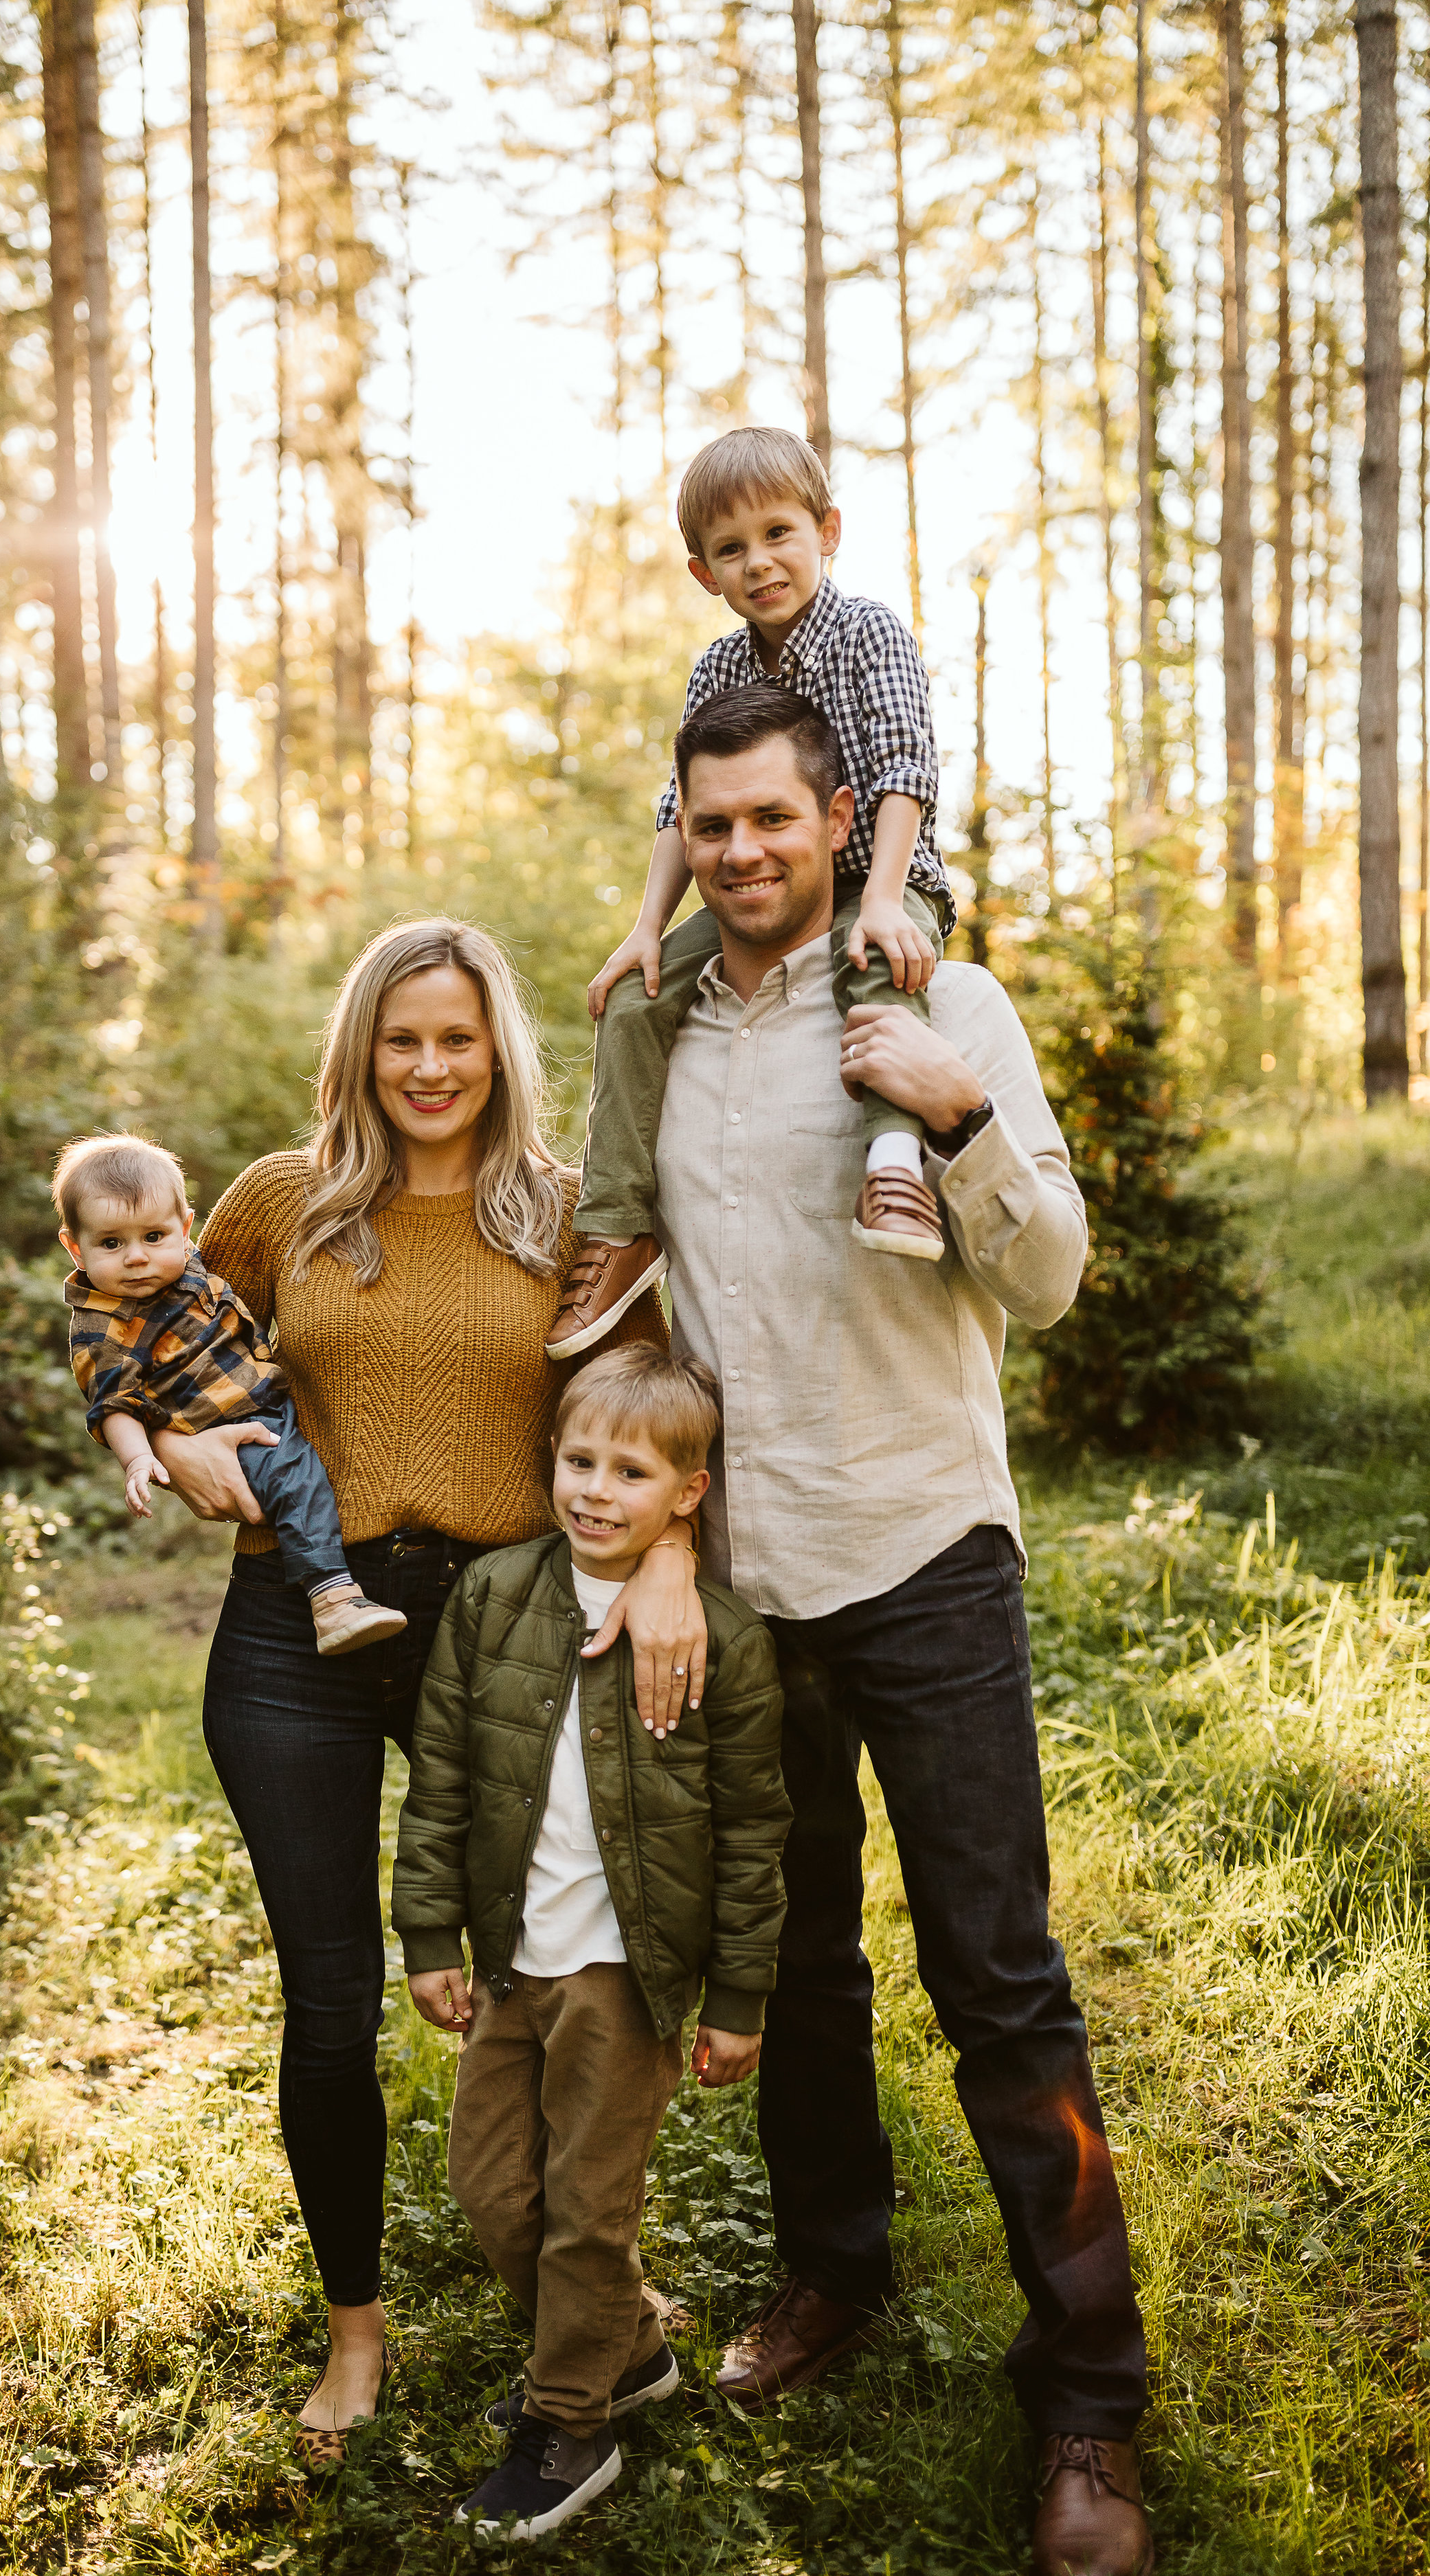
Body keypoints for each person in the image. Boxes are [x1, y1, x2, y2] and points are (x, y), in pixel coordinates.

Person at [643, 688, 1154, 2576]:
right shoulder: (665, 1029)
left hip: (924, 1544)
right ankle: (832, 2267)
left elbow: (1049, 1275)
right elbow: (643, 1296)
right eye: (711, 826)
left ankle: (1088, 2392)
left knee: (994, 1972)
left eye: (774, 817)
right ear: (682, 833)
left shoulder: (950, 1001)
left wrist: (950, 1116)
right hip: (751, 1571)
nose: (745, 851)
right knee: (792, 1968)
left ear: (835, 810)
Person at [143, 919, 708, 2465]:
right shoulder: (281, 1203)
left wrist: (668, 1560)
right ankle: (355, 2333)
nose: (430, 1067)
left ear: (498, 1049)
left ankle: (591, 2301)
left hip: (505, 1630)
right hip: (299, 1628)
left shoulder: (564, 1217)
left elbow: (647, 1405)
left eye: (457, 1038)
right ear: (360, 1051)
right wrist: (175, 1446)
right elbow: (150, 1338)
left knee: (552, 1979)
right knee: (328, 2001)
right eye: (402, 1039)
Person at [393, 1344, 791, 2540]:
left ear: (687, 1496)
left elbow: (753, 1830)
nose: (594, 1489)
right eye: (578, 1460)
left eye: (629, 1470)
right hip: (516, 1958)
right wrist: (428, 1932)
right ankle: (626, 2346)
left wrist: (739, 1993)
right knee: (486, 2184)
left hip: (630, 1974)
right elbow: (444, 1777)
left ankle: (570, 2427)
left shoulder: (719, 1638)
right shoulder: (496, 1597)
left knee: (585, 2208)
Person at [546, 423, 952, 1364]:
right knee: (638, 1002)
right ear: (704, 574)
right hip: (758, 890)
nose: (760, 562)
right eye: (732, 549)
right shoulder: (719, 671)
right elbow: (681, 807)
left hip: (884, 875)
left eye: (779, 533)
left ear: (828, 530)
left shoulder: (869, 634)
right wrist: (648, 927)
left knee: (874, 968)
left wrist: (886, 898)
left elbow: (905, 769)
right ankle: (617, 1227)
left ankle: (893, 1168)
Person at [53, 1131, 406, 1656]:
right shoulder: (105, 1328)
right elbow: (113, 1406)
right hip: (223, 1429)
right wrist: (140, 1459)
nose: (136, 1258)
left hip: (266, 1401)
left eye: (153, 1236)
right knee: (296, 1480)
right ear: (74, 1246)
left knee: (306, 1475)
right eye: (111, 1244)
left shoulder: (187, 1265)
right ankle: (332, 1597)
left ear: (185, 1228)